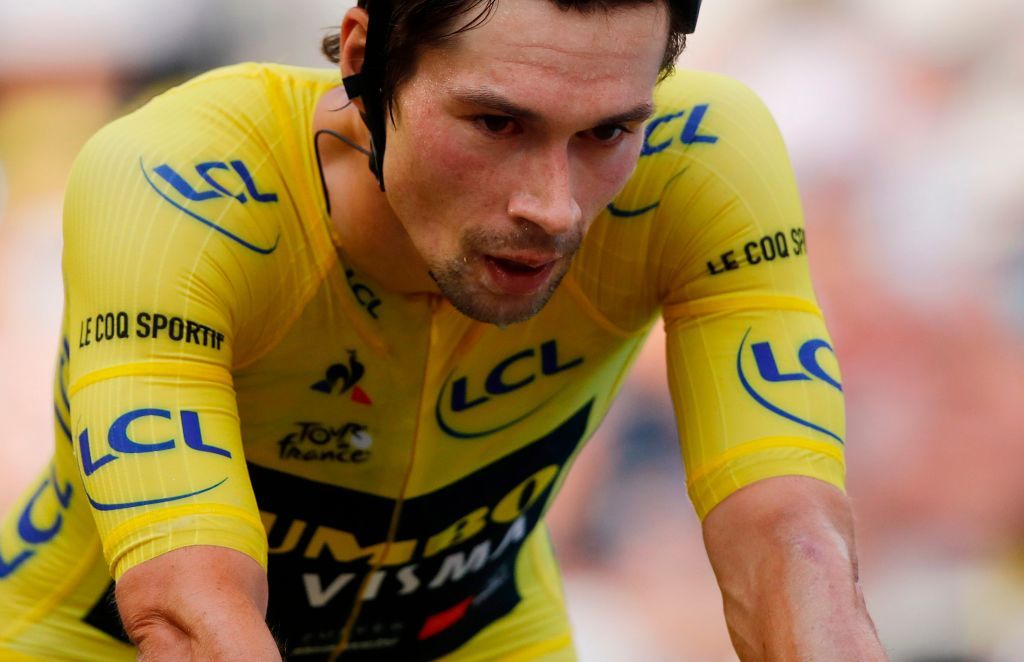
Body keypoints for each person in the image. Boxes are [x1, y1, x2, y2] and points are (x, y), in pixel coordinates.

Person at [0, 0, 886, 659]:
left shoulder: (701, 164)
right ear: (362, 60)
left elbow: (791, 541)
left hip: (479, 635)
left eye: (607, 131)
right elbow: (188, 607)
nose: (554, 207)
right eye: (497, 123)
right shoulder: (181, 182)